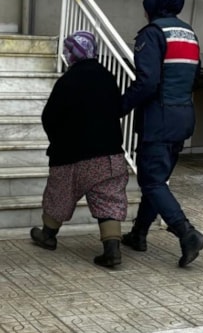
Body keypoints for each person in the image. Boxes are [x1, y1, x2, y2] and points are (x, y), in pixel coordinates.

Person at [120, 0, 203, 268]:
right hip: (183, 117)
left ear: (151, 4)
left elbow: (147, 82)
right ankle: (139, 234)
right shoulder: (188, 33)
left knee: (152, 180)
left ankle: (187, 234)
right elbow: (196, 77)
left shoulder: (153, 34)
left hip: (159, 119)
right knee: (156, 180)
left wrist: (117, 108)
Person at [29, 31, 129, 268]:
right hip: (108, 155)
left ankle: (48, 235)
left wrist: (57, 141)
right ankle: (112, 248)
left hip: (72, 156)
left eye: (67, 50)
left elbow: (49, 117)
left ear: (73, 52)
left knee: (59, 196)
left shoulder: (68, 80)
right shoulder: (108, 76)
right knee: (109, 199)